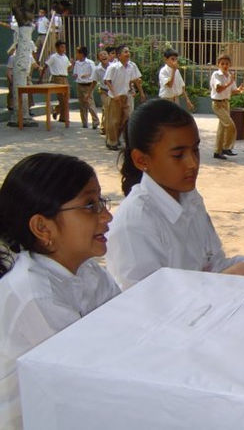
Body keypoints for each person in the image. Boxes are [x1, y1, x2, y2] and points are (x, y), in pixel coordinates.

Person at [0, 153, 120, 429]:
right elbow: (88, 377)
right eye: (90, 205)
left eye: (101, 202)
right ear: (43, 227)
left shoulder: (88, 271)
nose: (107, 215)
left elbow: (126, 326)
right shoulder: (35, 295)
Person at [106, 99, 244, 290]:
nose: (193, 163)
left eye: (195, 150)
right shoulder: (134, 224)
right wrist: (228, 278)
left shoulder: (189, 198)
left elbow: (214, 264)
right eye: (178, 155)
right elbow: (154, 305)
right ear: (141, 160)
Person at [103, 45, 146, 151]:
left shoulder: (132, 66)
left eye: (128, 52)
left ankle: (120, 140)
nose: (128, 54)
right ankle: (111, 142)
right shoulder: (113, 67)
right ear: (119, 55)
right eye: (125, 52)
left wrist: (141, 93)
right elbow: (107, 81)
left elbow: (135, 80)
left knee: (126, 119)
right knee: (114, 121)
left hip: (127, 96)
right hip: (115, 97)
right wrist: (115, 94)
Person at [209, 54, 244, 160]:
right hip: (218, 104)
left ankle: (217, 151)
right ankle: (226, 147)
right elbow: (219, 89)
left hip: (226, 103)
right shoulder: (216, 74)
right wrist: (230, 83)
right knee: (230, 126)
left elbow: (232, 91)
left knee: (222, 128)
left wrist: (239, 90)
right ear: (218, 65)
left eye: (227, 64)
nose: (225, 66)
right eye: (222, 63)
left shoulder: (229, 76)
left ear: (230, 65)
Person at [39, 40, 71, 122]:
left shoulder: (65, 57)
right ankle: (63, 117)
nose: (63, 49)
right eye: (61, 47)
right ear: (57, 48)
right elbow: (45, 66)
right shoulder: (53, 57)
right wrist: (41, 78)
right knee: (62, 98)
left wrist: (72, 65)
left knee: (66, 98)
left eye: (64, 47)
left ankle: (57, 111)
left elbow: (68, 68)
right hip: (57, 77)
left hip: (65, 77)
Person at [72, 46, 99, 129]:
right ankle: (84, 122)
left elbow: (94, 73)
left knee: (90, 103)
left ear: (82, 54)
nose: (76, 55)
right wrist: (75, 75)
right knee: (82, 104)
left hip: (88, 85)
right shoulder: (77, 63)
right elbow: (75, 73)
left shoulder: (90, 63)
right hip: (80, 84)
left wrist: (87, 75)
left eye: (77, 53)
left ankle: (95, 121)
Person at [92, 50, 111, 136]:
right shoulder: (97, 69)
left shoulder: (114, 67)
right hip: (104, 91)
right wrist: (89, 93)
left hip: (114, 91)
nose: (103, 56)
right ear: (99, 58)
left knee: (109, 110)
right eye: (101, 55)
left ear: (108, 56)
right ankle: (105, 128)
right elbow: (94, 82)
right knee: (107, 108)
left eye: (105, 54)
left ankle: (104, 125)